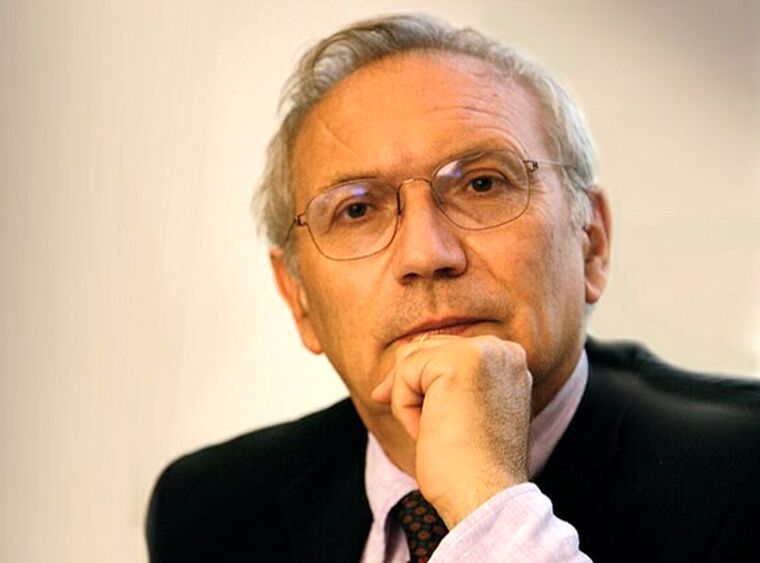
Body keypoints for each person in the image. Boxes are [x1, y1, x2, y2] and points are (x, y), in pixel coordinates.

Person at [146, 13, 760, 562]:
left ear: (591, 242)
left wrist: (488, 506)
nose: (427, 255)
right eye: (357, 210)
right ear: (299, 298)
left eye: (482, 185)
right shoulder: (210, 510)